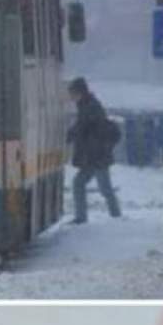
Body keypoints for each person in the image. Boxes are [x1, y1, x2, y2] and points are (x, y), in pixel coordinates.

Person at [66, 76, 121, 224]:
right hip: (92, 156)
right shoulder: (87, 105)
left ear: (80, 92)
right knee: (79, 183)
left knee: (104, 188)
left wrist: (69, 135)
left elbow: (82, 127)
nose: (71, 97)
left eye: (72, 93)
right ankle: (82, 217)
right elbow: (82, 127)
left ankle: (116, 216)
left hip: (98, 156)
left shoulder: (90, 106)